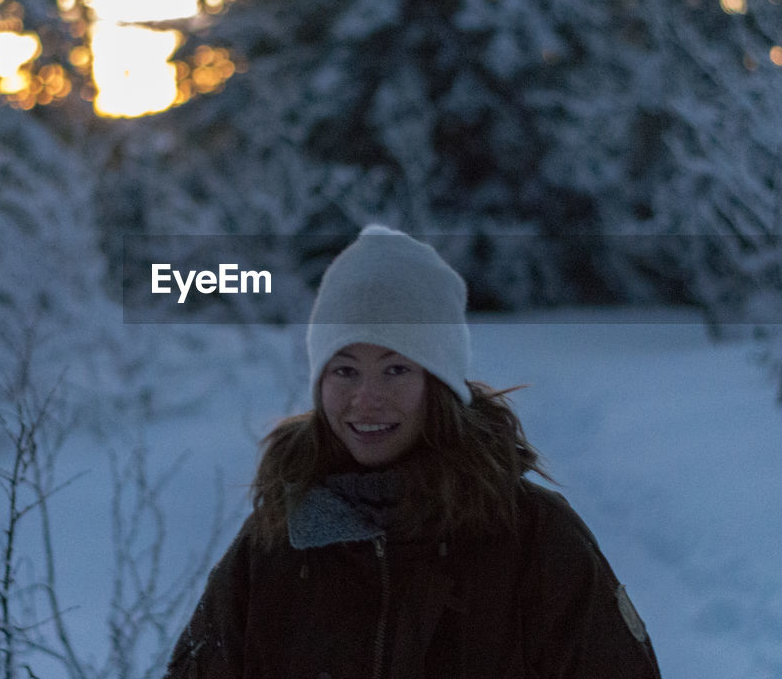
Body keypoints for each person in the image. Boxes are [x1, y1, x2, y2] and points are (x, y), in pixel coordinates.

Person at [165, 225, 661, 679]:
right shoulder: (275, 544)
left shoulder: (534, 539)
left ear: (438, 384)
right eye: (345, 371)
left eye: (396, 369)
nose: (366, 399)